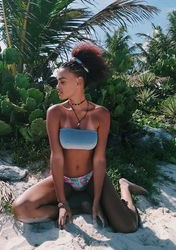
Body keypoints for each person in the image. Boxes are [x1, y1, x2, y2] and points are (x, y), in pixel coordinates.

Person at [12, 41, 147, 233]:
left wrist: (97, 199)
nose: (57, 86)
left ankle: (124, 186)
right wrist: (60, 204)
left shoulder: (101, 114)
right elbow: (56, 157)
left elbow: (99, 159)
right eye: (57, 81)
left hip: (91, 177)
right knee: (21, 209)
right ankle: (77, 206)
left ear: (79, 81)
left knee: (128, 225)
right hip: (64, 179)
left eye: (62, 81)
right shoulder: (55, 112)